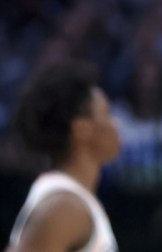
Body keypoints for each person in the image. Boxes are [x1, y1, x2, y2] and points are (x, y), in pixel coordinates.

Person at [6, 59, 121, 251]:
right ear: (82, 129)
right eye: (107, 114)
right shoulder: (65, 207)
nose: (116, 124)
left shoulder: (71, 199)